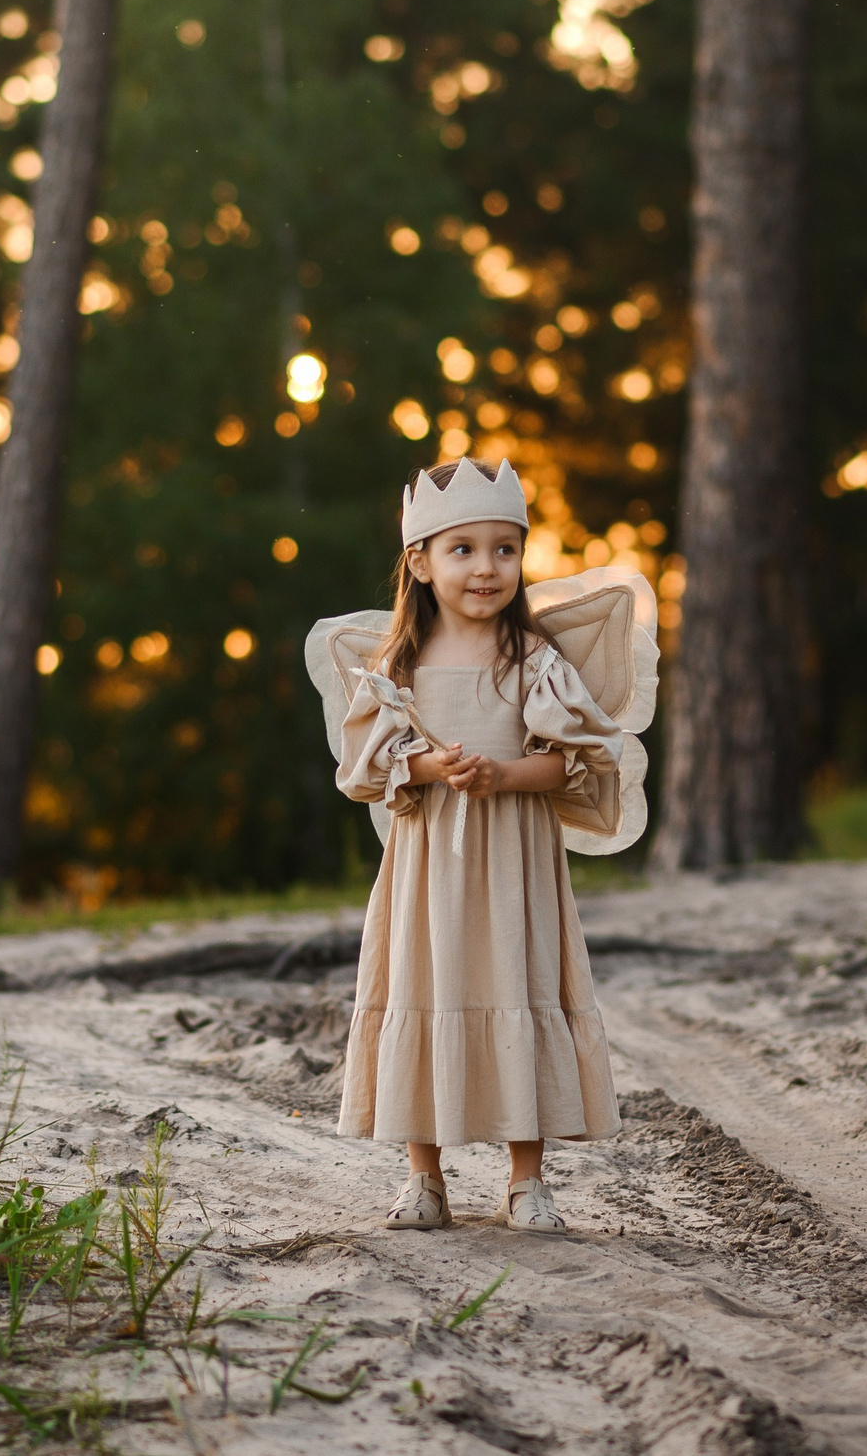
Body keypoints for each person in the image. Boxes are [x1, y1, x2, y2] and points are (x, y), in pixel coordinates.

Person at [306, 457, 657, 1234]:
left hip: (514, 864)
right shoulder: (398, 666)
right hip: (427, 869)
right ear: (421, 562)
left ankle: (526, 1179)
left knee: (516, 979)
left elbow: (569, 761)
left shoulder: (530, 658)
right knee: (424, 989)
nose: (486, 567)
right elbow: (365, 769)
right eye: (462, 548)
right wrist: (427, 763)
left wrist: (501, 772)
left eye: (504, 547)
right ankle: (423, 1176)